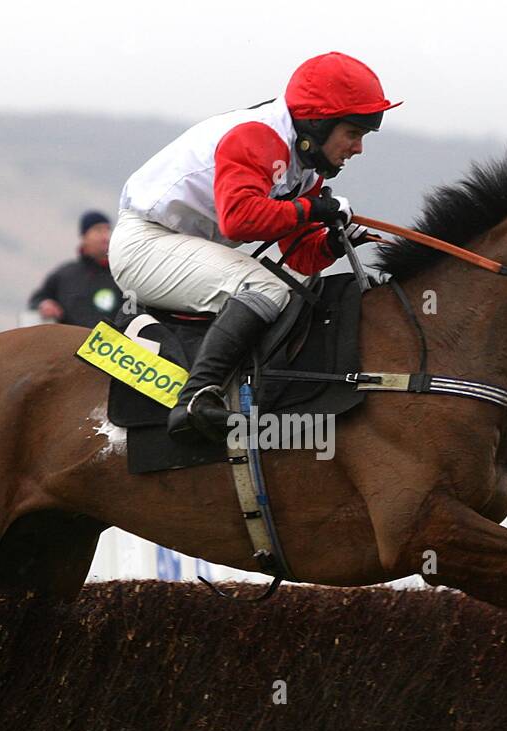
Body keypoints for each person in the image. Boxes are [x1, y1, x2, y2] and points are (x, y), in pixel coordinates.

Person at [108, 51, 399, 441]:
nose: (358, 148)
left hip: (178, 245)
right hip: (144, 244)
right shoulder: (257, 136)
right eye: (353, 133)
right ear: (318, 122)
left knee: (295, 292)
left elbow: (298, 254)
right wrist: (310, 208)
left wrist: (331, 241)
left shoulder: (302, 168)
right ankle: (196, 399)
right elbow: (240, 219)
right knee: (265, 288)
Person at [28, 211, 123, 327]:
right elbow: (38, 298)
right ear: (84, 236)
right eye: (98, 230)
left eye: (107, 230)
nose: (105, 237)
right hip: (70, 342)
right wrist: (45, 304)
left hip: (113, 343)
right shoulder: (65, 275)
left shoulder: (121, 275)